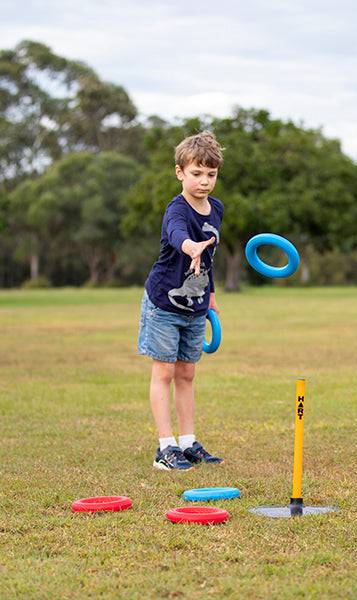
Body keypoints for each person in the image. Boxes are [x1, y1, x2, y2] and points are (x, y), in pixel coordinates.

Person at [137, 131, 225, 470]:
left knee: (187, 374)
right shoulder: (176, 209)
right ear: (180, 173)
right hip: (164, 304)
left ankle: (187, 443)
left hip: (196, 306)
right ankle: (165, 447)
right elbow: (177, 235)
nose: (204, 182)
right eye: (197, 174)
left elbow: (210, 259)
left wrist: (211, 297)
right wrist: (191, 246)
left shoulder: (216, 208)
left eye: (211, 174)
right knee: (164, 373)